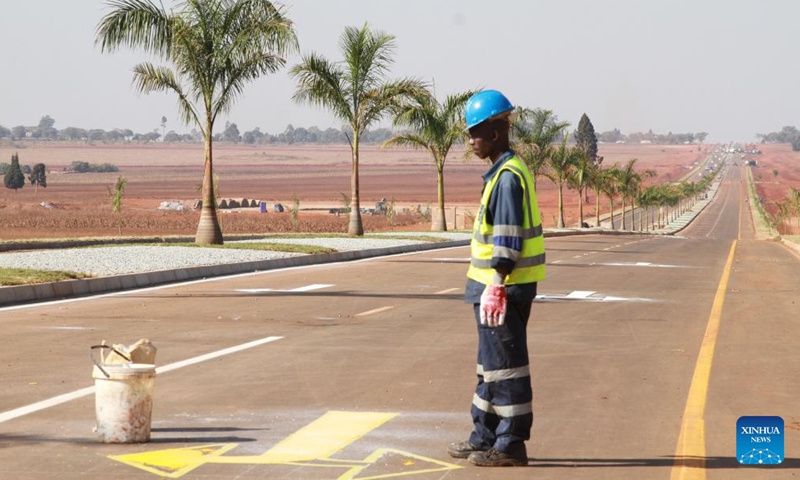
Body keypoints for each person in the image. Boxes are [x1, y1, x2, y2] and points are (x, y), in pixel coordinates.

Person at [447, 90, 545, 467]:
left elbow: (506, 236)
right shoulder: (504, 172)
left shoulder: (507, 178)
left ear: (496, 131)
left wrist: (496, 284)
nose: (471, 140)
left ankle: (510, 444)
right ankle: (484, 436)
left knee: (506, 368)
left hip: (501, 288)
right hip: (493, 287)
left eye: (476, 131)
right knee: (489, 367)